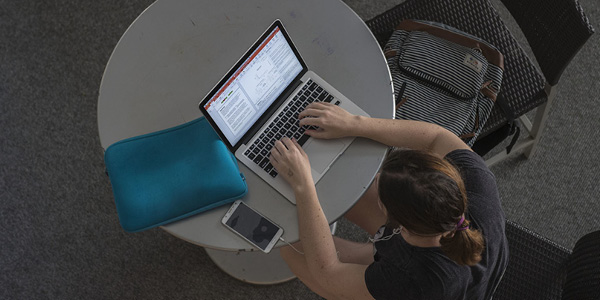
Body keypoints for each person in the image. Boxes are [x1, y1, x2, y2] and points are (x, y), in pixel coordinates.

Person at [269, 102, 508, 300]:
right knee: (343, 193)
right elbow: (436, 136)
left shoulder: (413, 280)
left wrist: (304, 186)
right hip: (438, 266)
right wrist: (355, 123)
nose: (375, 179)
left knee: (291, 246)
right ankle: (374, 255)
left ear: (401, 226)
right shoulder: (476, 182)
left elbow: (328, 274)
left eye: (382, 195)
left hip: (428, 291)